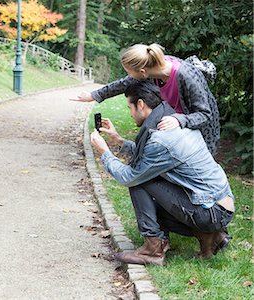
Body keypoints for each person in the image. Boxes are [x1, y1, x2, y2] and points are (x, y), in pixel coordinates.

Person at [90, 81, 234, 266]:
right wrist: (118, 140)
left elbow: (130, 176)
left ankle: (153, 250)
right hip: (220, 207)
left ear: (141, 104)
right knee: (147, 174)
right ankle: (212, 236)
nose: (130, 114)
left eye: (130, 108)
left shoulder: (160, 139)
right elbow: (152, 157)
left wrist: (105, 153)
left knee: (139, 181)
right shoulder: (171, 120)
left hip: (211, 212)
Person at [75, 43, 220, 156]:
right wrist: (94, 95)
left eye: (129, 72)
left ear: (142, 72)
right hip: (177, 131)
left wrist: (179, 120)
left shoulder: (186, 76)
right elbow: (124, 84)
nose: (128, 76)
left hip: (201, 138)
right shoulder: (154, 67)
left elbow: (205, 114)